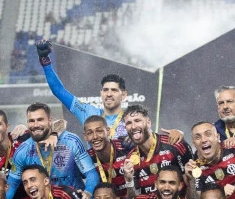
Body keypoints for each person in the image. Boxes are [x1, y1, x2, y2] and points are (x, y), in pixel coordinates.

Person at [36, 40, 183, 145]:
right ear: (101, 93)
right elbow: (58, 91)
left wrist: (178, 133)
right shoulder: (88, 112)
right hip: (97, 176)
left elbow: (151, 142)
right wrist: (46, 62)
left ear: (124, 95)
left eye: (114, 90)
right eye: (105, 90)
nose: (109, 94)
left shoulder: (132, 120)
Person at [7, 102, 99, 199]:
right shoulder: (23, 150)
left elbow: (91, 173)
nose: (36, 125)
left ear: (50, 121)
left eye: (40, 120)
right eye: (31, 121)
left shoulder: (71, 141)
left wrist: (87, 193)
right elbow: (12, 185)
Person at [121, 104, 193, 199]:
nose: (133, 126)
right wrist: (129, 181)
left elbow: (192, 187)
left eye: (137, 121)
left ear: (148, 123)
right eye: (129, 123)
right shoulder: (130, 159)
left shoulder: (174, 145)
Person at [83, 115, 128, 199]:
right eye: (89, 133)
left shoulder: (125, 146)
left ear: (108, 131)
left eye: (99, 131)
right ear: (85, 136)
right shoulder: (86, 158)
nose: (95, 137)